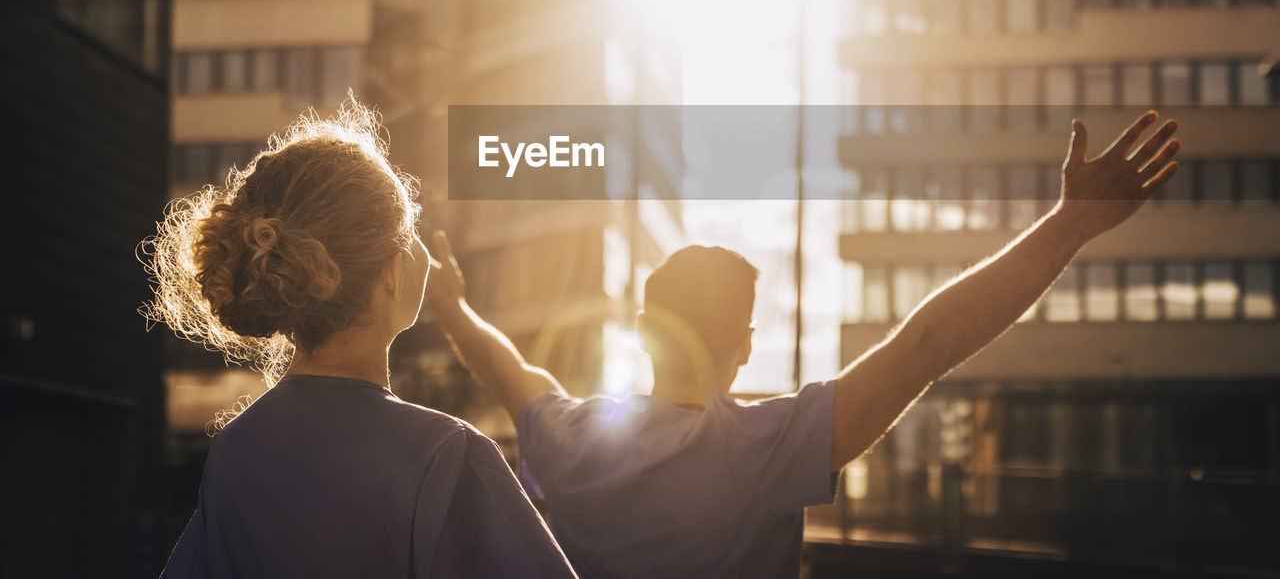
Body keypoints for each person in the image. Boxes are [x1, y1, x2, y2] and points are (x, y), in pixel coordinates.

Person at [425, 112, 1181, 579]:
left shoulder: (571, 439)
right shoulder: (762, 451)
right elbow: (926, 344)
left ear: (643, 335)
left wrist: (453, 306)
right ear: (745, 347)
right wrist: (1070, 225)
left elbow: (504, 368)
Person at [141, 100, 577, 579]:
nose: (422, 250)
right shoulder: (445, 458)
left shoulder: (235, 450)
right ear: (390, 275)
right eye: (411, 231)